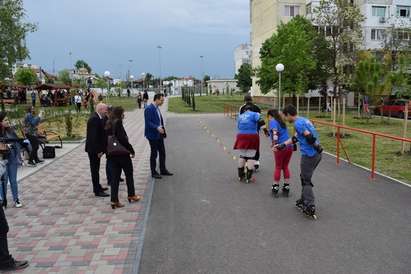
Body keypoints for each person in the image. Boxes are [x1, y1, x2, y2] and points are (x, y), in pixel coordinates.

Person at [275, 105, 322, 218]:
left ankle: (310, 206)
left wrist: (316, 146)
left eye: (285, 117)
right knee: (304, 176)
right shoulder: (304, 120)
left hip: (309, 155)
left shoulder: (297, 123)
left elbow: (309, 136)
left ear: (288, 114)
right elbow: (295, 138)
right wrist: (282, 145)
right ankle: (303, 199)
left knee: (306, 180)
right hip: (317, 155)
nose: (285, 120)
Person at [106, 107, 142, 209]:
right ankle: (131, 194)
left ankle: (114, 200)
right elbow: (122, 139)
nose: (124, 115)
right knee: (129, 174)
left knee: (114, 178)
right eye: (123, 113)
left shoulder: (108, 123)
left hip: (112, 155)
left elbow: (106, 139)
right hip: (122, 154)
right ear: (119, 114)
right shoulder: (118, 123)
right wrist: (131, 150)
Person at [233, 105, 266, 184]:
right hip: (251, 135)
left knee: (242, 155)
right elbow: (261, 122)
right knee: (251, 156)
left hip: (241, 136)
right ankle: (248, 177)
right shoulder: (254, 114)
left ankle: (240, 176)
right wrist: (266, 131)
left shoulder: (240, 116)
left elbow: (238, 126)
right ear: (251, 110)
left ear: (244, 110)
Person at [144, 93, 173, 179]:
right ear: (156, 99)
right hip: (152, 135)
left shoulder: (157, 108)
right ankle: (153, 172)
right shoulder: (149, 109)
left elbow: (159, 120)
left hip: (159, 134)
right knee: (154, 153)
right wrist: (157, 127)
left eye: (163, 100)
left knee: (162, 152)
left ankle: (163, 169)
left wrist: (162, 130)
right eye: (161, 100)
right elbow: (148, 122)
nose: (162, 102)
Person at [85, 103, 109, 197]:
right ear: (100, 109)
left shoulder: (98, 117)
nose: (106, 111)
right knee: (94, 170)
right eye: (105, 110)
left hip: (95, 149)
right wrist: (98, 151)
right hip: (94, 150)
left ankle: (98, 186)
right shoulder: (94, 119)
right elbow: (93, 137)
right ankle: (97, 190)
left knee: (96, 169)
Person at [267, 109, 293, 196]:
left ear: (270, 115)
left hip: (281, 146)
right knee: (285, 166)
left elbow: (275, 133)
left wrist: (275, 144)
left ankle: (275, 187)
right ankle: (286, 187)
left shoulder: (273, 121)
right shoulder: (281, 121)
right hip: (289, 145)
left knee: (278, 167)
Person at [0, 113, 23, 208]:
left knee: (13, 180)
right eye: (5, 120)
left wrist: (19, 157)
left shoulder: (11, 131)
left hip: (12, 158)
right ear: (0, 122)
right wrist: (5, 146)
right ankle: (3, 199)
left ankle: (16, 199)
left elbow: (17, 143)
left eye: (8, 120)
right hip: (2, 159)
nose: (8, 122)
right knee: (3, 181)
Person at [239, 95, 264, 170]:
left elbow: (240, 118)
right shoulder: (257, 107)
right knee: (255, 145)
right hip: (255, 130)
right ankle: (256, 161)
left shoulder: (242, 108)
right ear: (251, 100)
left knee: (246, 146)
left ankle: (246, 162)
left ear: (244, 100)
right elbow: (260, 118)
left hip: (244, 130)